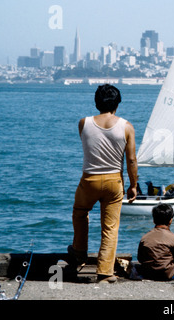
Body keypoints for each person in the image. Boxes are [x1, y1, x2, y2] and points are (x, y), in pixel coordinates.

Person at [68, 84, 138, 283]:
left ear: (96, 102)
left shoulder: (84, 123)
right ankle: (105, 271)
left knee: (80, 213)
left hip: (89, 179)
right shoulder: (126, 126)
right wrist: (133, 185)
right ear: (117, 104)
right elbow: (131, 160)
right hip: (113, 181)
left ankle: (79, 253)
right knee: (110, 226)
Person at [137, 204, 174, 281]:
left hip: (148, 273)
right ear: (170, 220)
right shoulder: (173, 238)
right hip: (166, 274)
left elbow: (140, 259)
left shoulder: (145, 237)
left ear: (154, 220)